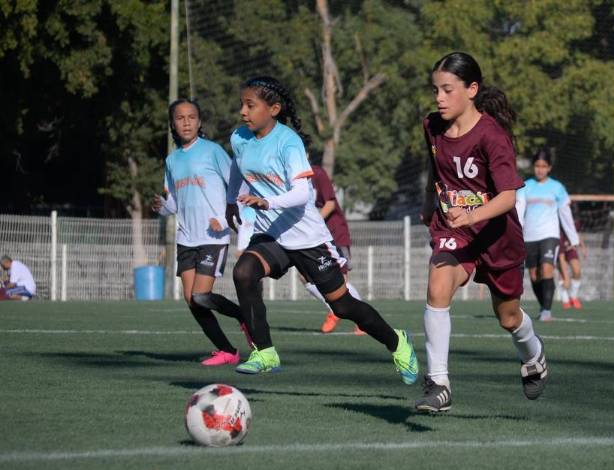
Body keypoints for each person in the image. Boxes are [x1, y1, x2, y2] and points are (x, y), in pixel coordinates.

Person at [224, 76, 417, 383]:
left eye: (250, 105)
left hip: (306, 237)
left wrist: (267, 202)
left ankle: (397, 342)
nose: (242, 112)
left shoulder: (289, 143)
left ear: (273, 109)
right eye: (242, 105)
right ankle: (265, 352)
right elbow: (238, 164)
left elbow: (303, 194)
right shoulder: (239, 137)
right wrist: (230, 200)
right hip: (272, 234)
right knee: (243, 272)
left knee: (342, 305)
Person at [416, 52, 548, 413]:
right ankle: (439, 383)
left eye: (448, 90)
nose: (439, 98)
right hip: (454, 230)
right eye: (436, 90)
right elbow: (434, 166)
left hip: (497, 235)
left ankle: (533, 353)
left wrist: (471, 214)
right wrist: (429, 201)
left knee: (508, 317)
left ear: (471, 89)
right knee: (438, 283)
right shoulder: (432, 126)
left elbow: (507, 197)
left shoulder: (492, 136)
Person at [152, 98, 253, 366]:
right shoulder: (172, 160)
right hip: (186, 238)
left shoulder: (213, 151)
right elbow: (173, 203)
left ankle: (244, 316)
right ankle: (227, 351)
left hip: (213, 237)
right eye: (180, 118)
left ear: (199, 122)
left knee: (201, 295)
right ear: (172, 124)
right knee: (191, 300)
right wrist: (161, 206)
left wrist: (224, 218)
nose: (186, 122)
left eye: (191, 117)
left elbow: (239, 187)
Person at [516, 149, 580, 321]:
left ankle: (546, 310)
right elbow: (519, 211)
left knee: (547, 269)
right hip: (529, 236)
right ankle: (543, 305)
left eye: (544, 166)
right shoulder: (525, 186)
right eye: (537, 166)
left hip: (550, 235)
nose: (540, 169)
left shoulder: (557, 188)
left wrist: (573, 238)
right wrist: (516, 234)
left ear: (549, 168)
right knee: (534, 275)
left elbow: (565, 214)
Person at [305, 164, 365, 335]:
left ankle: (362, 320)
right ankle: (334, 309)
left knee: (341, 280)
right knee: (304, 275)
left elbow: (330, 203)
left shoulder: (317, 173)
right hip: (314, 235)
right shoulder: (291, 177)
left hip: (334, 232)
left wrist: (313, 222)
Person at [557, 214, 586, 309]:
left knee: (577, 271)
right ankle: (565, 299)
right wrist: (566, 278)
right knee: (562, 272)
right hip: (559, 248)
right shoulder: (558, 229)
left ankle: (573, 296)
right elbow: (561, 258)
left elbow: (576, 232)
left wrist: (583, 246)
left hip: (570, 248)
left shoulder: (573, 219)